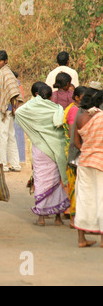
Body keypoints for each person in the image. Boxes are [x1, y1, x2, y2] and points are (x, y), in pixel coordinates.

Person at [15, 84, 70, 226]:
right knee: (56, 182)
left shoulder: (32, 108)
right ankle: (58, 218)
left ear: (37, 95)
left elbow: (18, 113)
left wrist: (34, 102)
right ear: (51, 96)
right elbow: (59, 123)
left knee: (40, 182)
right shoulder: (56, 108)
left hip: (40, 149)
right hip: (55, 150)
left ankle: (41, 218)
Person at [73, 88, 103, 248]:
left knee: (84, 199)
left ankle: (81, 239)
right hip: (100, 162)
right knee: (101, 199)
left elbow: (77, 143)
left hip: (84, 161)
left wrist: (88, 149)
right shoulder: (101, 117)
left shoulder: (80, 117)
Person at [0, 50, 22, 172]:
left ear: (6, 61)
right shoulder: (7, 72)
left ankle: (3, 164)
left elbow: (13, 92)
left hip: (5, 109)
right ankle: (15, 164)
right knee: (11, 136)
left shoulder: (5, 72)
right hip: (9, 109)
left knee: (2, 136)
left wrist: (13, 107)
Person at [63, 86, 86, 227]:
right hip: (73, 152)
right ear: (77, 98)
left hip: (75, 151)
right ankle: (73, 217)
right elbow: (73, 135)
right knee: (75, 186)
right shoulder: (75, 111)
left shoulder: (76, 109)